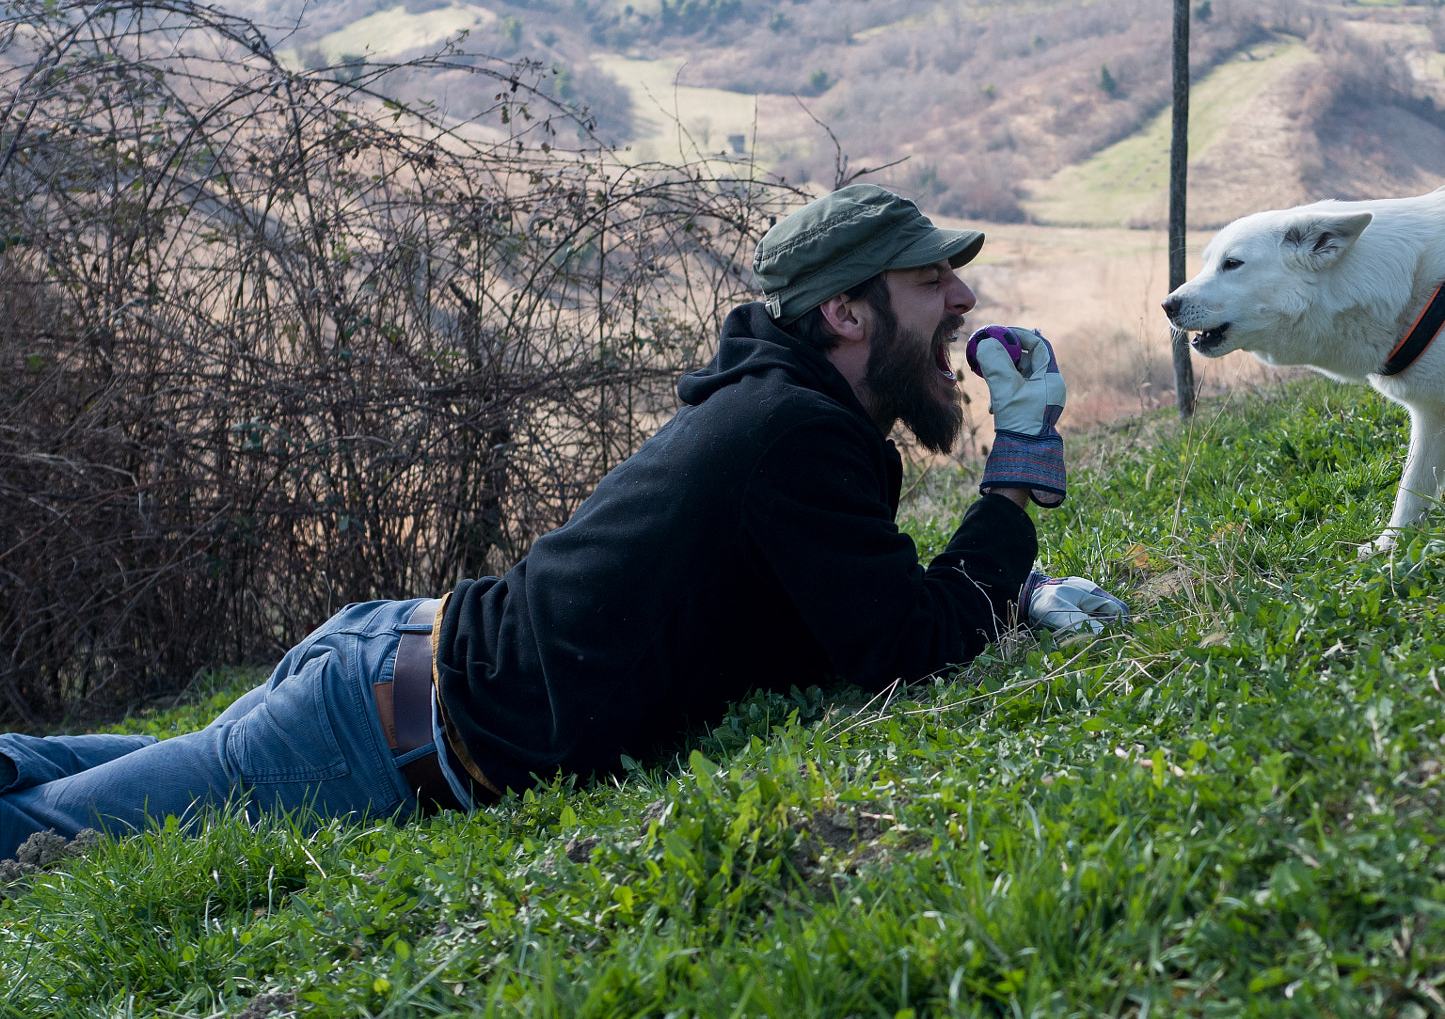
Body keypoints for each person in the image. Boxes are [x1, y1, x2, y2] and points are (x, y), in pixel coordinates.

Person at [0, 185, 1126, 852]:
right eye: (932, 280)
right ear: (843, 309)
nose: (964, 299)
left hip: (388, 667)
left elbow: (850, 616)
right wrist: (1018, 471)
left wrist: (1010, 587)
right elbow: (904, 647)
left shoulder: (785, 418)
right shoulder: (793, 435)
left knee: (56, 776)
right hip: (379, 731)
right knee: (36, 829)